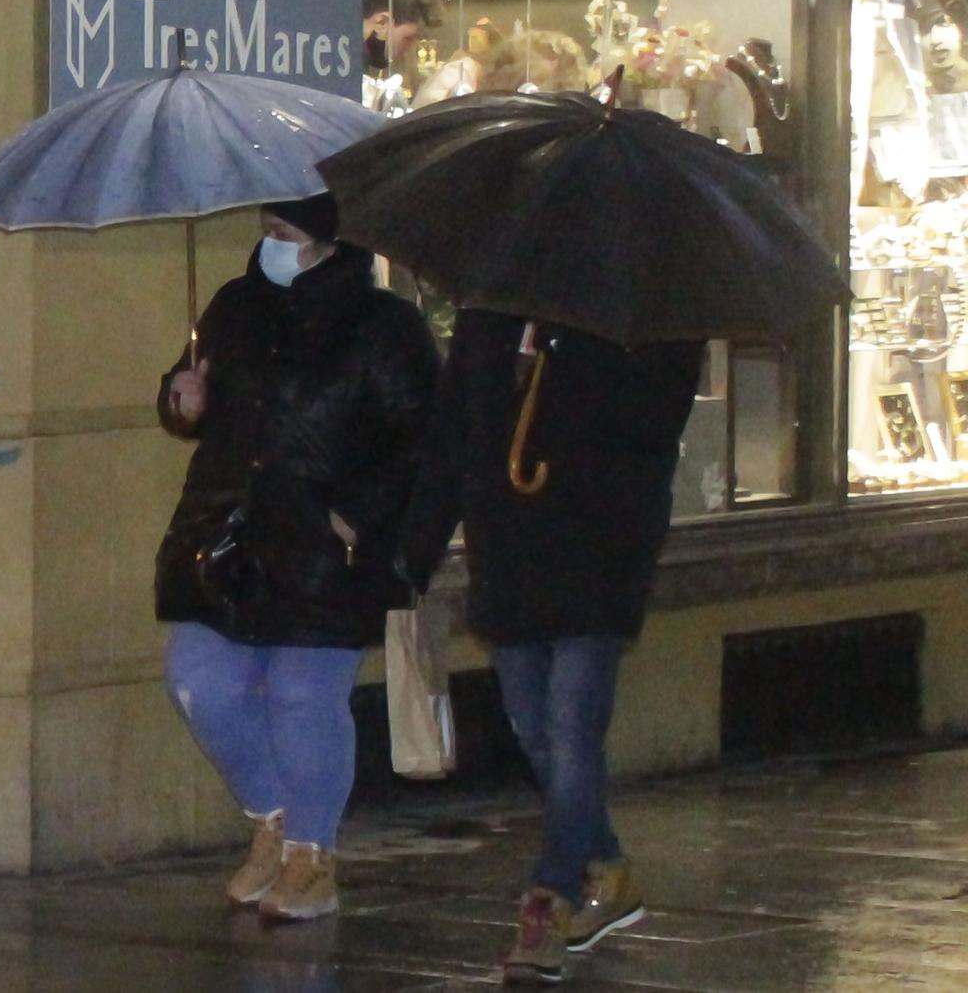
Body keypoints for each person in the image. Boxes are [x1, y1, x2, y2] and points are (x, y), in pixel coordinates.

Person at [154, 195, 439, 922]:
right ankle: (273, 819)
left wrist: (356, 513)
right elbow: (202, 399)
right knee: (199, 682)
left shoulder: (385, 327)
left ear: (328, 232)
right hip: (225, 535)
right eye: (267, 227)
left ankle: (312, 854)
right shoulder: (232, 306)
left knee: (300, 698)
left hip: (324, 547)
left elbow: (422, 439)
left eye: (287, 228)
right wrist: (180, 401)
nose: (271, 239)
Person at [399, 311, 703, 984]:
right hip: (510, 557)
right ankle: (608, 867)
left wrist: (564, 378)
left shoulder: (637, 321)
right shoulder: (490, 323)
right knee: (532, 725)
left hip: (595, 555)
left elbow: (654, 429)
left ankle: (549, 898)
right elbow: (454, 436)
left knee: (570, 729)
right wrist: (416, 547)